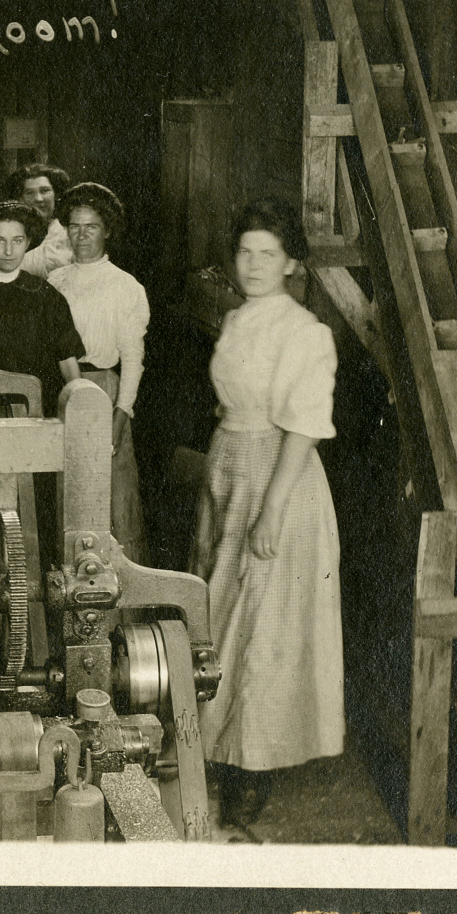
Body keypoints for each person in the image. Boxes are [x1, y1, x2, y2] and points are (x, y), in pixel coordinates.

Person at [196, 199, 344, 835]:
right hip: (230, 465)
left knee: (263, 625)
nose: (254, 264)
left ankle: (251, 768)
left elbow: (304, 428)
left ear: (291, 264)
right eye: (245, 252)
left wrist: (271, 513)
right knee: (221, 610)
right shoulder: (236, 319)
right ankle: (215, 745)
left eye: (269, 254)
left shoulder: (306, 332)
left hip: (279, 478)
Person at [46, 183, 148, 560]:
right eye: (74, 226)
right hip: (62, 389)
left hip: (105, 390)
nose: (82, 235)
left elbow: (133, 358)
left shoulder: (125, 286)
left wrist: (122, 413)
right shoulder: (55, 281)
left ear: (107, 231)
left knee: (112, 493)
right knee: (69, 487)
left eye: (91, 227)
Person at [0, 200, 86, 419]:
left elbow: (67, 362)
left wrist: (80, 409)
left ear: (28, 242)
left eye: (17, 240)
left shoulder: (46, 295)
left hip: (38, 413)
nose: (8, 251)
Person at [6, 161, 74, 279]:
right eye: (29, 193)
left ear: (56, 194)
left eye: (45, 191)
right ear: (19, 198)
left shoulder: (71, 236)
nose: (38, 199)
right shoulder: (7, 236)